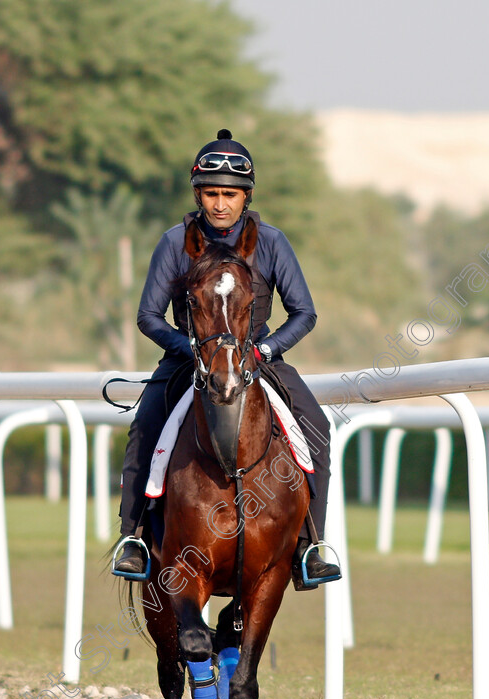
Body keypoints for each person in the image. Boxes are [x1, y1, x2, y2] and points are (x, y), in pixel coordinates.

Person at [114, 129, 340, 590]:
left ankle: (310, 544)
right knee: (146, 424)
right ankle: (133, 538)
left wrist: (262, 351)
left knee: (317, 424)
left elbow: (305, 312)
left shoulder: (272, 242)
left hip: (258, 356)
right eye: (212, 193)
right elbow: (148, 316)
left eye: (230, 194)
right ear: (198, 195)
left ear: (245, 197)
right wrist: (192, 350)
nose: (220, 204)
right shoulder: (174, 241)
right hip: (188, 358)